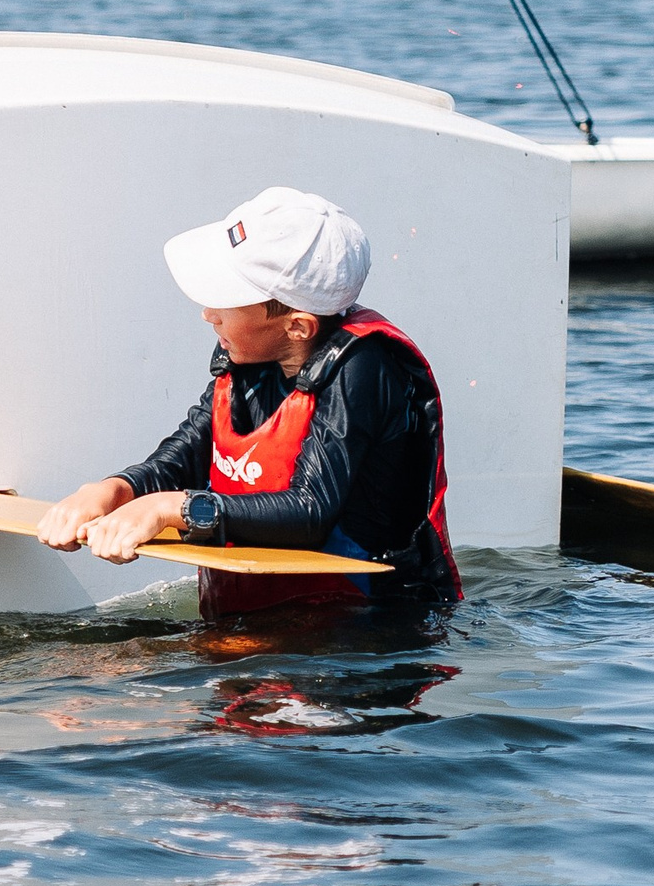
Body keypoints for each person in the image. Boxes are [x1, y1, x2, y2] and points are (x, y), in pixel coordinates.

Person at [37, 186, 463, 616]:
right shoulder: (251, 358)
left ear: (297, 326)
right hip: (274, 628)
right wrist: (116, 489)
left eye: (227, 299)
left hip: (363, 639)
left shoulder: (362, 370)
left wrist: (172, 508)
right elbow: (182, 458)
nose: (208, 312)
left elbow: (310, 511)